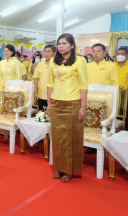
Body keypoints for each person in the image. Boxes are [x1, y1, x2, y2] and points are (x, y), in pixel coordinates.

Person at [47, 33, 87, 183]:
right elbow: (50, 83)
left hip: (73, 102)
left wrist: (83, 107)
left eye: (64, 43)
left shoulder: (80, 61)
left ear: (72, 45)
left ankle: (69, 170)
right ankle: (60, 167)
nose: (61, 46)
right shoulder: (53, 61)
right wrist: (50, 104)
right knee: (57, 138)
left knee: (71, 137)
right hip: (57, 102)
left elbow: (83, 86)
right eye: (59, 44)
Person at [33, 45, 55, 111]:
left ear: (54, 53)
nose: (46, 53)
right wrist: (35, 92)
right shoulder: (40, 64)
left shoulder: (57, 64)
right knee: (41, 114)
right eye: (45, 51)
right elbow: (36, 79)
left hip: (53, 95)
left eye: (48, 51)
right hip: (41, 94)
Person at [115, 47, 128, 130]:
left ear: (127, 55)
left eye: (122, 54)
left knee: (125, 111)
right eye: (118, 54)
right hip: (114, 91)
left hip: (126, 92)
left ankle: (125, 129)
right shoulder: (112, 65)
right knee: (114, 110)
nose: (120, 55)